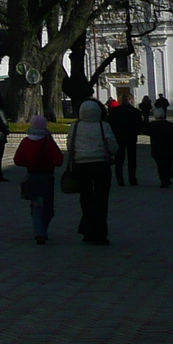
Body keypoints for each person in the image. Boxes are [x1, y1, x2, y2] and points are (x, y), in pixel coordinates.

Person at [66, 99, 118, 245]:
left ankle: (88, 231)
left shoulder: (75, 126)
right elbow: (112, 145)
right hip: (101, 165)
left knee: (86, 199)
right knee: (102, 200)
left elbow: (70, 145)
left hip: (81, 165)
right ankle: (101, 233)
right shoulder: (103, 126)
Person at [14, 115, 64, 244]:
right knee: (48, 206)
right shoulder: (48, 141)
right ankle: (42, 229)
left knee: (36, 204)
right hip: (47, 176)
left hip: (32, 175)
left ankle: (39, 231)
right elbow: (59, 160)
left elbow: (18, 160)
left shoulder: (26, 141)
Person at [108, 93, 144, 186]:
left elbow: (110, 124)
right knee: (132, 158)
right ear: (131, 100)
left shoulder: (114, 111)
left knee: (119, 159)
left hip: (118, 137)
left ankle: (120, 179)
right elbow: (140, 125)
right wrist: (136, 132)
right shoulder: (135, 111)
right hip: (131, 137)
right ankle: (132, 178)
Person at [145, 105, 173, 188]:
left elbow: (144, 131)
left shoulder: (153, 125)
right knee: (168, 165)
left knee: (160, 166)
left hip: (157, 149)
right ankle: (167, 179)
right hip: (169, 149)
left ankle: (163, 180)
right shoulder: (170, 125)